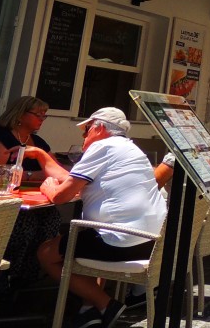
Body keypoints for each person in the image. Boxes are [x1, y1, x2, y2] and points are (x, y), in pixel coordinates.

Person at [26, 107, 167, 328]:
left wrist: (48, 188)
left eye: (86, 130)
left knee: (46, 252)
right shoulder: (132, 150)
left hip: (119, 241)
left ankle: (106, 304)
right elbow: (71, 178)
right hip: (149, 242)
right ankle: (89, 310)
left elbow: (62, 196)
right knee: (85, 239)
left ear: (99, 128)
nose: (84, 136)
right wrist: (43, 157)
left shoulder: (103, 146)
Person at [0, 96, 61, 292]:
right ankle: (3, 279)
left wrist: (28, 174)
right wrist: (37, 174)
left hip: (28, 201)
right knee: (25, 225)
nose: (42, 118)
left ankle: (26, 277)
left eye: (45, 115)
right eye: (38, 114)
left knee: (52, 218)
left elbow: (56, 171)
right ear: (20, 114)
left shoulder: (38, 142)